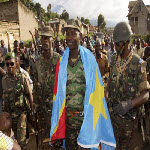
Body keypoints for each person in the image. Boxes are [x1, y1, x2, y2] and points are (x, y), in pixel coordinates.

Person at [50, 19, 116, 150]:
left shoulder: (90, 61)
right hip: (69, 123)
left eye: (73, 33)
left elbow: (97, 92)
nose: (69, 37)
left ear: (80, 35)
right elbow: (58, 97)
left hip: (86, 123)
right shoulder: (61, 63)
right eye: (67, 33)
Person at [107, 22, 150, 150]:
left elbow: (146, 94)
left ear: (126, 42)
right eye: (114, 43)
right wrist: (107, 96)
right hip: (113, 117)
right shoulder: (114, 59)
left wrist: (130, 104)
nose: (115, 46)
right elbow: (110, 79)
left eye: (118, 43)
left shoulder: (138, 63)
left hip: (129, 121)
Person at [33, 26, 60, 141]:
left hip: (57, 111)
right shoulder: (37, 63)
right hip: (43, 112)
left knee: (58, 142)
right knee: (45, 141)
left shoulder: (59, 60)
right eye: (43, 38)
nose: (44, 41)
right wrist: (35, 108)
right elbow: (35, 87)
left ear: (52, 40)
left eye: (47, 38)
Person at [2, 52, 33, 149]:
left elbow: (29, 94)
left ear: (15, 63)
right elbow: (4, 98)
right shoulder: (4, 80)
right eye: (7, 64)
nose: (10, 66)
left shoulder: (22, 77)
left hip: (21, 114)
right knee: (13, 139)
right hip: (11, 116)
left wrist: (32, 111)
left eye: (11, 64)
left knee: (21, 141)